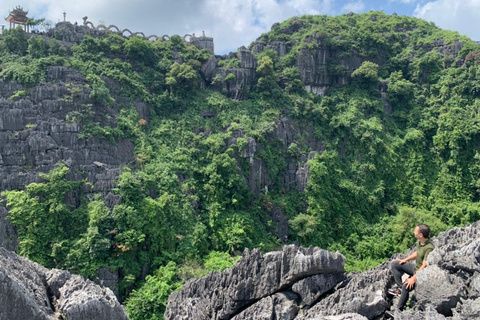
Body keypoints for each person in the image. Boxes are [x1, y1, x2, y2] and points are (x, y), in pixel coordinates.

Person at [386, 224, 435, 316]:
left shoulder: (429, 247)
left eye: (415, 231)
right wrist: (405, 260)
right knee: (395, 264)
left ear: (421, 235)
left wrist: (413, 278)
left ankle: (398, 311)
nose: (413, 232)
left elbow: (424, 265)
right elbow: (417, 253)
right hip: (415, 268)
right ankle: (400, 288)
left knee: (407, 286)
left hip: (422, 273)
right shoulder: (420, 242)